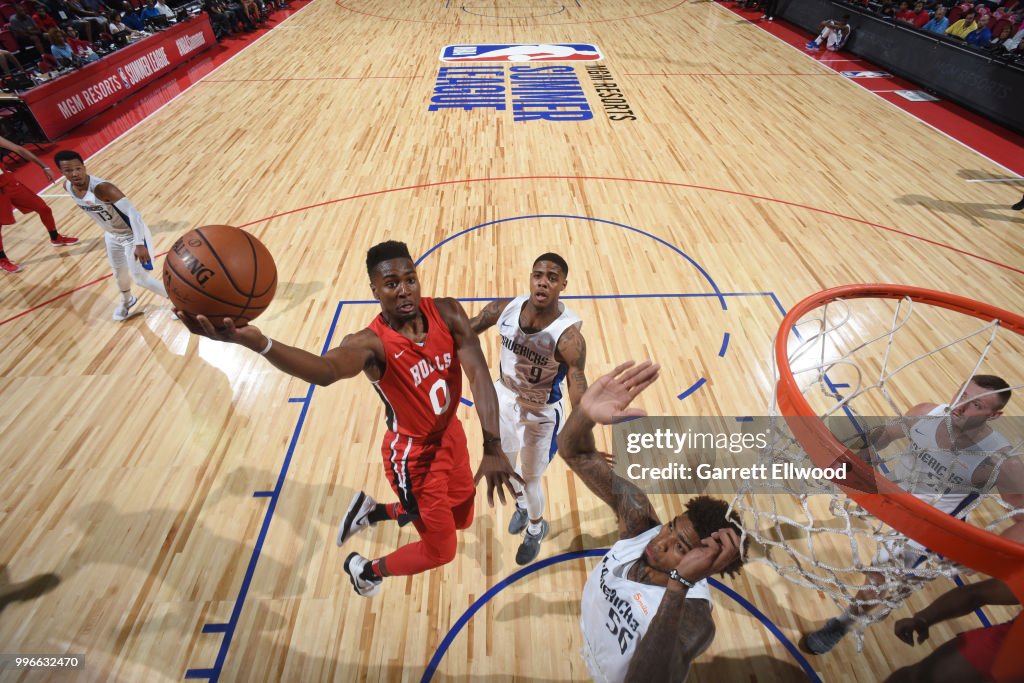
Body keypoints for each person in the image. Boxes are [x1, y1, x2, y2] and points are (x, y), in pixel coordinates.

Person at [176, 240, 522, 598]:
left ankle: (372, 511)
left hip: (451, 436)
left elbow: (479, 375)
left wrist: (492, 445)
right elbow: (326, 370)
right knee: (441, 550)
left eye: (410, 280)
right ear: (374, 290)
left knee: (462, 517)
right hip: (413, 457)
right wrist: (260, 344)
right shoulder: (369, 344)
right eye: (391, 284)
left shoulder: (447, 313)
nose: (404, 291)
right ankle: (364, 570)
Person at [801, 375, 1024, 654]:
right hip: (890, 494)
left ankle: (842, 624)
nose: (961, 405)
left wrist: (989, 553)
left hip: (926, 526)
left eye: (975, 404)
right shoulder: (925, 414)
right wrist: (857, 455)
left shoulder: (1000, 460)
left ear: (995, 415)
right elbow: (884, 436)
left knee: (878, 578)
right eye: (962, 394)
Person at [556, 360, 744, 683]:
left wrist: (679, 586)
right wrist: (584, 415)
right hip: (590, 648)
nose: (660, 542)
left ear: (703, 564)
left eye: (680, 547)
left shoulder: (695, 619)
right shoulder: (640, 521)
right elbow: (574, 452)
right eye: (671, 526)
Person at [468, 253, 588, 565]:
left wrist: (583, 428)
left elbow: (578, 385)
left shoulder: (569, 336)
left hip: (540, 415)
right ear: (531, 278)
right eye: (538, 275)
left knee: (529, 478)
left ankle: (536, 528)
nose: (543, 281)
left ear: (563, 284)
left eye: (551, 277)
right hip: (504, 400)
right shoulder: (505, 309)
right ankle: (523, 506)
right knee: (505, 469)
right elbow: (468, 329)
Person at [54, 149, 168, 320]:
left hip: (133, 234)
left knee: (140, 278)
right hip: (112, 235)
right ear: (62, 172)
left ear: (84, 167)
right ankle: (127, 300)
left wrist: (139, 243)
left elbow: (134, 215)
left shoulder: (103, 188)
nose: (75, 173)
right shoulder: (68, 186)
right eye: (68, 171)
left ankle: (182, 303)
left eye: (78, 168)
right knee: (119, 273)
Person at [885, 570, 1020, 682]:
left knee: (918, 678)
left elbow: (976, 595)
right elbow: (977, 594)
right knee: (919, 677)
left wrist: (923, 618)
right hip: (996, 651)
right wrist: (923, 618)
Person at [0, 137, 78, 274]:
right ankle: (2, 259)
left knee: (43, 208)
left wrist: (44, 166)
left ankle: (55, 237)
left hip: (10, 184)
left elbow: (19, 149)